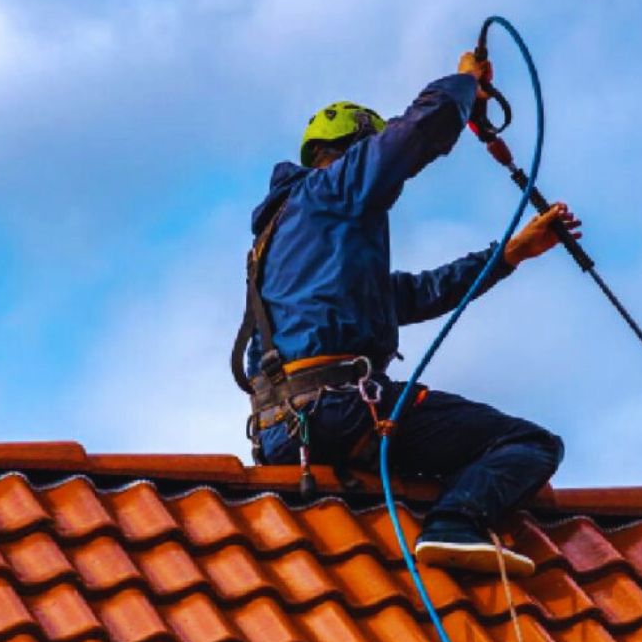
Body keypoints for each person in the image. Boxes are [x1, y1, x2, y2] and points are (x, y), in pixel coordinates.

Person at [233, 51, 580, 576]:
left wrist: (513, 252)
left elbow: (419, 293)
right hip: (339, 408)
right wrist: (465, 83)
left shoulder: (293, 252)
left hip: (281, 430)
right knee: (528, 444)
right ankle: (455, 525)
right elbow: (418, 131)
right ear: (348, 152)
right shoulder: (331, 190)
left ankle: (445, 517)